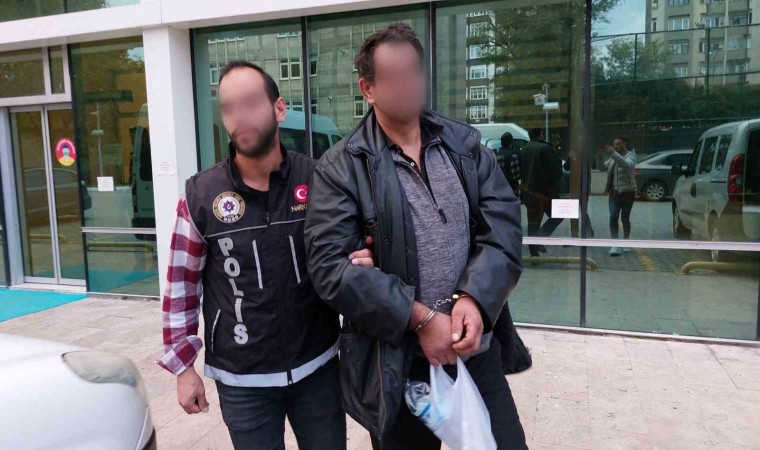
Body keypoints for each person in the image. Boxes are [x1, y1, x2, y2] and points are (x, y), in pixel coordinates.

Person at [304, 23, 529, 450]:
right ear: (368, 89)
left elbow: (503, 227)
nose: (407, 84)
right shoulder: (341, 168)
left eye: (413, 72)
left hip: (475, 349)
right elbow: (331, 269)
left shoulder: (463, 146)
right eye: (393, 76)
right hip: (398, 364)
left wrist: (474, 298)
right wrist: (421, 319)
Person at [156, 60, 375, 450]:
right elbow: (181, 287)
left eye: (250, 103)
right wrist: (183, 366)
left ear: (279, 108)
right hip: (243, 380)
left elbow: (348, 252)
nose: (239, 116)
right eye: (229, 107)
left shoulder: (319, 179)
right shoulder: (201, 195)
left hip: (318, 366)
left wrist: (359, 261)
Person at [521, 127, 564, 257]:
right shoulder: (545, 148)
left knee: (532, 221)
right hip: (545, 193)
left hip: (529, 192)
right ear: (540, 134)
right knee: (559, 214)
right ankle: (540, 237)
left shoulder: (524, 149)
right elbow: (557, 169)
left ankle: (533, 253)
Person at [605, 136, 637, 256]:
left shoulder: (630, 155)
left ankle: (626, 241)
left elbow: (627, 165)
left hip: (627, 192)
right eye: (614, 144)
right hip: (614, 192)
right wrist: (598, 158)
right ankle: (615, 244)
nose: (615, 146)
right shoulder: (613, 157)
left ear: (624, 144)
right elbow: (603, 167)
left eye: (618, 144)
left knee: (625, 218)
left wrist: (613, 154)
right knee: (613, 217)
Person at [498, 131, 522, 196]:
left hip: (499, 187)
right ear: (511, 142)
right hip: (511, 188)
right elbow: (516, 175)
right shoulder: (513, 155)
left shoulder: (496, 155)